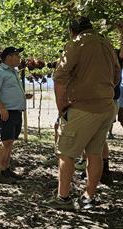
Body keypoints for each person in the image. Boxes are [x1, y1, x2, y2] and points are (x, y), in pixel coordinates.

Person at [49, 17, 120, 210]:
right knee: (94, 153)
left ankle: (63, 198)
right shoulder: (106, 43)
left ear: (73, 30)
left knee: (66, 153)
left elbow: (60, 77)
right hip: (106, 107)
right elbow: (116, 75)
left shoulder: (75, 43)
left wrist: (62, 106)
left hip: (82, 107)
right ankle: (88, 196)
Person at [0, 47, 30, 184]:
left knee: (10, 141)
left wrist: (23, 96)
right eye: (17, 55)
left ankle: (6, 169)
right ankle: (0, 172)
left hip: (15, 111)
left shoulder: (13, 72)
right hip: (6, 111)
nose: (19, 58)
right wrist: (1, 108)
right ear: (9, 57)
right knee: (5, 141)